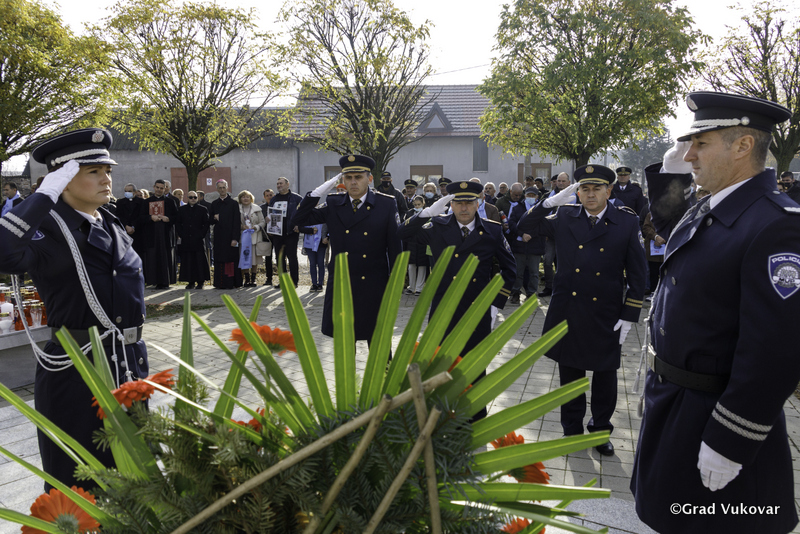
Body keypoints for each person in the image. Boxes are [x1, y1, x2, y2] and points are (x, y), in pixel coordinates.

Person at [631, 92, 800, 534]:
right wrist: (670, 173)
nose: (689, 155)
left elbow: (777, 348)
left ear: (743, 146)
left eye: (701, 144)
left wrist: (732, 439)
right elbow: (671, 228)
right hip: (675, 404)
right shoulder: (713, 205)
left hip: (714, 415)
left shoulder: (777, 224)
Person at [0, 128, 149, 490]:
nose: (106, 179)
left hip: (128, 363)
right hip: (78, 369)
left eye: (107, 171)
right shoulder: (48, 229)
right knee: (81, 482)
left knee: (136, 479)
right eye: (93, 172)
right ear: (63, 179)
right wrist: (43, 196)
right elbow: (4, 252)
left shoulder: (110, 222)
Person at [518, 164, 646, 456]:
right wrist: (548, 202)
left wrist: (630, 314)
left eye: (596, 188)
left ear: (608, 191)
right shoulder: (564, 216)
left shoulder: (626, 221)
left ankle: (600, 430)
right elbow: (525, 227)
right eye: (584, 189)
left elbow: (638, 274)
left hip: (606, 312)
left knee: (605, 376)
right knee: (570, 375)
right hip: (569, 309)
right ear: (577, 193)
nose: (590, 194)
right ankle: (572, 430)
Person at [398, 181, 516, 419]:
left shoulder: (492, 230)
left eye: (469, 202)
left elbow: (509, 269)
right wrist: (427, 213)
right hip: (444, 308)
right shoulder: (437, 226)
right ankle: (441, 417)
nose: (464, 208)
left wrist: (494, 302)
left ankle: (475, 418)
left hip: (476, 308)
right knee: (441, 363)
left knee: (475, 365)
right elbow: (402, 233)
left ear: (478, 203)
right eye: (458, 202)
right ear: (450, 204)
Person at [291, 154, 402, 341]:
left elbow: (395, 246)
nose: (353, 182)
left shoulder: (386, 204)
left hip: (374, 282)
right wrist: (316, 194)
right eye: (348, 177)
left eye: (358, 177)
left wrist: (396, 282)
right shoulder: (334, 203)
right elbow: (298, 220)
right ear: (343, 180)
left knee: (378, 338)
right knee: (344, 338)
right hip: (343, 280)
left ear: (369, 179)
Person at [507, 186, 543, 304]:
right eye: (528, 195)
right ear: (525, 195)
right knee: (518, 271)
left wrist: (531, 235)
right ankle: (515, 293)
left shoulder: (541, 209)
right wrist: (521, 234)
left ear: (537, 197)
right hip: (519, 245)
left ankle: (531, 294)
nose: (530, 197)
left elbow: (543, 225)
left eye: (533, 195)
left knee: (534, 272)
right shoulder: (517, 208)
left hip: (535, 244)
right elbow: (511, 223)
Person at [141, 179, 178, 289]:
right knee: (153, 257)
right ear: (154, 187)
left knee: (165, 257)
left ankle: (166, 281)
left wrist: (168, 218)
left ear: (165, 189)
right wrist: (150, 217)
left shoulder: (170, 202)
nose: (159, 190)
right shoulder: (146, 202)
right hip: (152, 235)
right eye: (157, 187)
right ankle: (154, 281)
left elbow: (177, 217)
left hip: (166, 234)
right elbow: (141, 217)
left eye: (161, 188)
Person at [269, 177, 303, 288]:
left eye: (281, 183)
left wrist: (299, 225)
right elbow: (270, 213)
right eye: (277, 183)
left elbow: (304, 213)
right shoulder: (274, 199)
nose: (279, 185)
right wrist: (268, 222)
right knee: (279, 258)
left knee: (292, 257)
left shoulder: (296, 198)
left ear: (287, 184)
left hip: (291, 232)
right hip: (277, 233)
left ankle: (293, 282)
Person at [209, 179, 242, 289]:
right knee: (219, 260)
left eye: (224, 187)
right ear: (217, 189)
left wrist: (235, 238)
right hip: (219, 237)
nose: (222, 190)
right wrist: (214, 217)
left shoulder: (233, 203)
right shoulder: (214, 204)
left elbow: (236, 222)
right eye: (220, 188)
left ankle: (230, 282)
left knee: (230, 260)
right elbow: (210, 220)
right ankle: (220, 283)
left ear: (227, 188)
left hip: (230, 237)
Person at [176, 191, 210, 289]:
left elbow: (206, 224)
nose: (193, 199)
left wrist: (201, 235)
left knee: (199, 260)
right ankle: (190, 282)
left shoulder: (203, 209)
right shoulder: (182, 209)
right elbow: (178, 223)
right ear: (187, 198)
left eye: (195, 197)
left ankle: (200, 282)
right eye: (191, 197)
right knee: (188, 260)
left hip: (198, 240)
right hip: (186, 239)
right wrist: (182, 234)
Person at [238, 190, 265, 287]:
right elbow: (234, 222)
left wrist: (256, 227)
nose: (245, 199)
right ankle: (246, 279)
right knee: (244, 257)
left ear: (251, 198)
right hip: (243, 237)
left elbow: (262, 222)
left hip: (254, 237)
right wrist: (241, 226)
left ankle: (253, 279)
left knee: (254, 259)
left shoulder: (257, 209)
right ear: (240, 199)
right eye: (243, 197)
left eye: (247, 197)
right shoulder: (237, 209)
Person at [403, 196, 428, 295]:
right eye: (415, 205)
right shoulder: (409, 213)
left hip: (423, 241)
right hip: (411, 241)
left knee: (422, 265)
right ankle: (411, 286)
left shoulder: (427, 213)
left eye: (419, 205)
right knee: (411, 265)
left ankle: (419, 288)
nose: (417, 206)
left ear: (423, 204)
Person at [115, 183, 146, 260]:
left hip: (138, 232)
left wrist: (133, 226)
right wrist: (126, 226)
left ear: (135, 192)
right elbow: (119, 216)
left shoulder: (142, 202)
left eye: (129, 191)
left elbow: (142, 216)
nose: (127, 193)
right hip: (125, 232)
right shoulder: (120, 202)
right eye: (126, 191)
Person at [300, 222, 328, 292]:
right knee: (312, 264)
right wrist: (310, 230)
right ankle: (314, 284)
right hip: (309, 243)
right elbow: (300, 228)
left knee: (321, 263)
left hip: (321, 243)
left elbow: (330, 227)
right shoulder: (307, 217)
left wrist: (327, 237)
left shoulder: (324, 216)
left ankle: (320, 284)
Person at [259, 189, 275, 287]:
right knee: (268, 258)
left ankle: (283, 279)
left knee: (280, 257)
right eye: (267, 195)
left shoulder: (277, 206)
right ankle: (269, 279)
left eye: (271, 195)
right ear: (264, 197)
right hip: (266, 237)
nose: (269, 197)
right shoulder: (261, 208)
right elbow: (259, 221)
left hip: (277, 236)